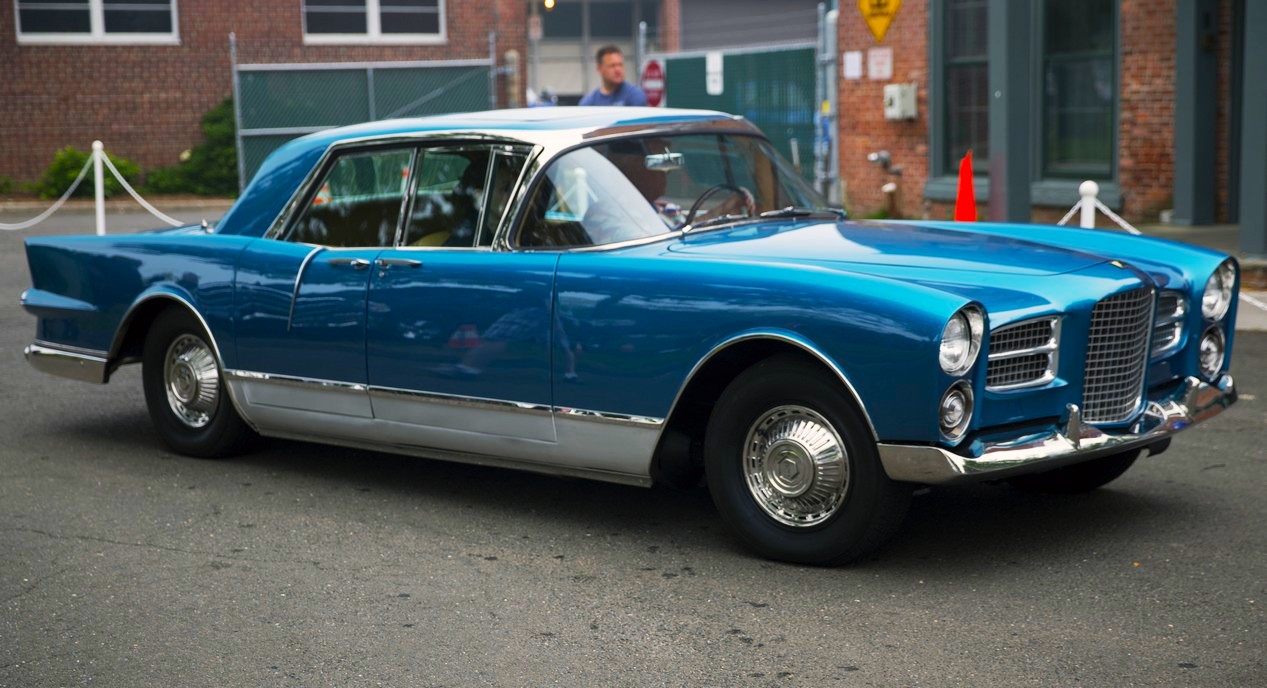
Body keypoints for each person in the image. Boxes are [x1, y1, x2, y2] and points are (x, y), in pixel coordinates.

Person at [578, 46, 648, 107]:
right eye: (612, 66)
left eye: (620, 65)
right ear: (599, 68)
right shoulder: (588, 103)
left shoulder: (635, 97)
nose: (618, 70)